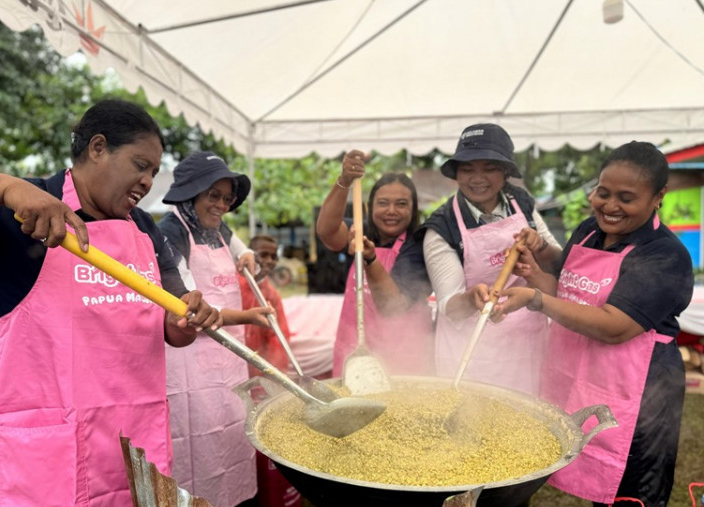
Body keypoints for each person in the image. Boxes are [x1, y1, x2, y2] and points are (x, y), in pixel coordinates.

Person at [0, 99, 221, 506]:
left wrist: (185, 319)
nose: (148, 181)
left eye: (153, 171)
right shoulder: (27, 207)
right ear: (97, 148)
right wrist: (6, 187)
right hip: (41, 438)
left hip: (128, 436)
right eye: (140, 164)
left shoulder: (145, 228)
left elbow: (173, 315)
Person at [493, 141, 693, 506]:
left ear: (658, 196)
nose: (609, 206)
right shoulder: (588, 230)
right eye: (603, 192)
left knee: (628, 494)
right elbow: (571, 296)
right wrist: (536, 275)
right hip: (578, 373)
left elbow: (615, 326)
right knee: (576, 469)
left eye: (626, 198)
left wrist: (537, 300)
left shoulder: (664, 254)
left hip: (639, 393)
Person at [374, 123, 562, 395]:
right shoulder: (443, 225)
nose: (477, 178)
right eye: (467, 169)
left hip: (527, 346)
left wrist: (540, 245)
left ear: (506, 172)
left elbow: (560, 265)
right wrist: (472, 297)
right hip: (472, 355)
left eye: (489, 168)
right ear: (457, 173)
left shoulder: (521, 203)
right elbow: (451, 305)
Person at [158, 151, 272, 507]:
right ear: (191, 194)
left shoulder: (216, 228)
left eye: (227, 198)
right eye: (213, 196)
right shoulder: (170, 231)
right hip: (189, 363)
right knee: (200, 448)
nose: (222, 204)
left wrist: (249, 255)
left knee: (233, 436)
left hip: (228, 360)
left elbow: (241, 249)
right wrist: (249, 316)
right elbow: (189, 311)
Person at [316, 154, 434, 377]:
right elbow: (327, 231)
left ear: (413, 209)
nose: (391, 211)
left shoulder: (419, 244)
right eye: (383, 203)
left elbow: (393, 304)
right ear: (369, 208)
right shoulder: (359, 232)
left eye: (401, 204)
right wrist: (345, 180)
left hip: (403, 359)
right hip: (355, 350)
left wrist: (370, 260)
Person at [238, 235, 291, 378]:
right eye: (264, 255)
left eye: (274, 257)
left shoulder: (272, 294)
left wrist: (276, 375)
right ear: (249, 255)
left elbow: (279, 336)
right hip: (229, 362)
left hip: (257, 366)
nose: (269, 261)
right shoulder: (232, 285)